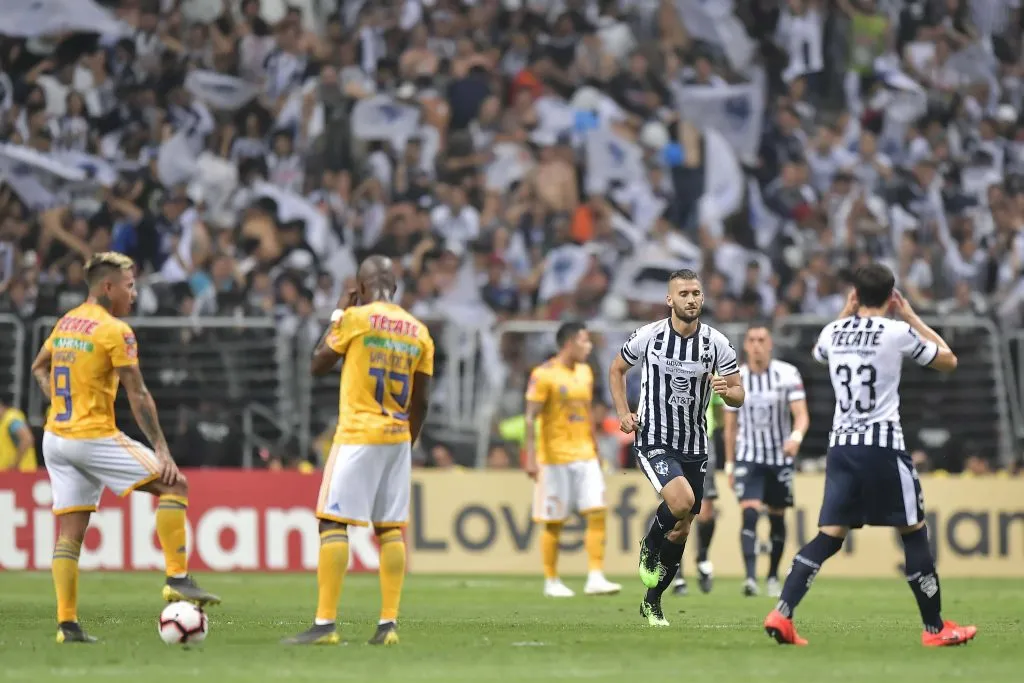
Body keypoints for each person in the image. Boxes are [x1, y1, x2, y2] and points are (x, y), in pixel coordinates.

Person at [764, 263, 977, 647]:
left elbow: (818, 351)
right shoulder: (897, 332)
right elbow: (948, 360)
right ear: (892, 296)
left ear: (855, 295)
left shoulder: (833, 331)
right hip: (883, 446)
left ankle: (782, 611)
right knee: (914, 532)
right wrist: (911, 315)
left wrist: (846, 312)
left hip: (842, 447)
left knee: (828, 537)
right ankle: (935, 629)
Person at [29, 252, 219, 644]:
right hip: (91, 436)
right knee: (175, 484)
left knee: (70, 534)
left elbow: (38, 367)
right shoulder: (114, 330)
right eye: (130, 286)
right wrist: (162, 450)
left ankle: (67, 625)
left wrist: (58, 403)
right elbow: (140, 394)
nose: (134, 293)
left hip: (56, 438)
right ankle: (177, 577)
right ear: (107, 287)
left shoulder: (66, 322)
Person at [284, 255, 434, 646]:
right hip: (398, 437)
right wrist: (407, 440)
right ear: (395, 288)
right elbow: (422, 401)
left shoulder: (355, 319)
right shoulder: (419, 331)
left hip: (357, 434)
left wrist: (340, 307)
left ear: (362, 288)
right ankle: (387, 626)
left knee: (333, 523)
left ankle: (325, 624)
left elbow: (317, 364)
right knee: (389, 530)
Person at [608, 269, 745, 627]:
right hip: (654, 438)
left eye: (696, 292)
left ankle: (652, 601)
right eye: (683, 293)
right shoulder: (649, 336)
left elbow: (739, 395)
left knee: (682, 527)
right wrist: (624, 413)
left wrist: (726, 391)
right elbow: (616, 369)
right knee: (681, 503)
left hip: (695, 446)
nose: (691, 299)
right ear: (670, 299)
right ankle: (649, 546)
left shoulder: (717, 343)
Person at [523, 321, 622, 598]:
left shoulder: (586, 372)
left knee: (597, 511)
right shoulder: (543, 375)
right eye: (584, 340)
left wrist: (596, 447)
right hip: (554, 457)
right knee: (554, 521)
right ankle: (551, 580)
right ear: (569, 343)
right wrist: (530, 456)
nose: (588, 346)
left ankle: (595, 576)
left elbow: (588, 412)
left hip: (585, 454)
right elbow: (530, 417)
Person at [723, 324, 809, 598]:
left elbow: (801, 414)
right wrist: (729, 463)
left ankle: (772, 575)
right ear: (745, 345)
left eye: (762, 339)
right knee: (749, 512)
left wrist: (795, 437)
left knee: (777, 517)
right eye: (752, 340)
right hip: (749, 456)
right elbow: (730, 427)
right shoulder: (736, 378)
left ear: (770, 344)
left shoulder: (787, 374)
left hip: (778, 457)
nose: (757, 345)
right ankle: (750, 578)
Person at [672, 390, 724, 596]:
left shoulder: (711, 367)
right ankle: (676, 572)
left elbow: (721, 409)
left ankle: (702, 557)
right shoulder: (665, 364)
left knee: (706, 511)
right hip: (672, 443)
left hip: (703, 442)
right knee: (677, 511)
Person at [0, 399, 37, 472]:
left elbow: (27, 439)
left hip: (22, 472)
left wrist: (14, 465)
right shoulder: (3, 422)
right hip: (7, 473)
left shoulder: (11, 419)